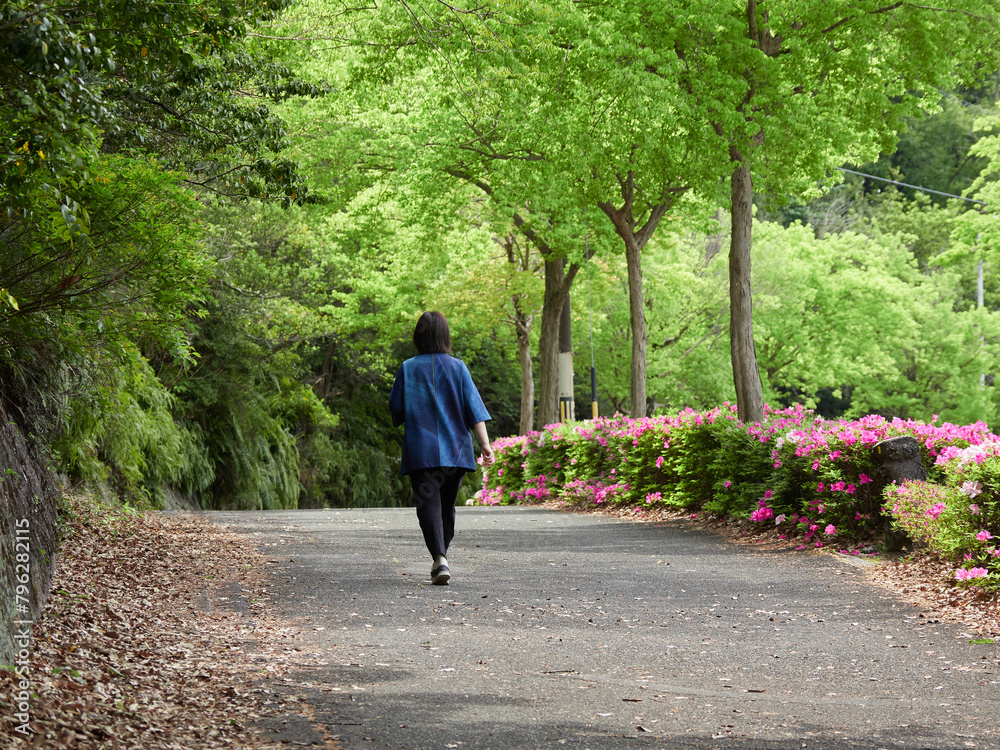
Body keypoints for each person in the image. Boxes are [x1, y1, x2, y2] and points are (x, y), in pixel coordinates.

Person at [389, 311, 495, 585]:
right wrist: (485, 445)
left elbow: (396, 410)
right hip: (455, 451)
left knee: (428, 503)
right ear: (445, 336)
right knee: (446, 506)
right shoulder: (458, 367)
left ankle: (439, 558)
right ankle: (441, 558)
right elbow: (475, 410)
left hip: (421, 450)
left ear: (418, 336)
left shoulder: (408, 368)